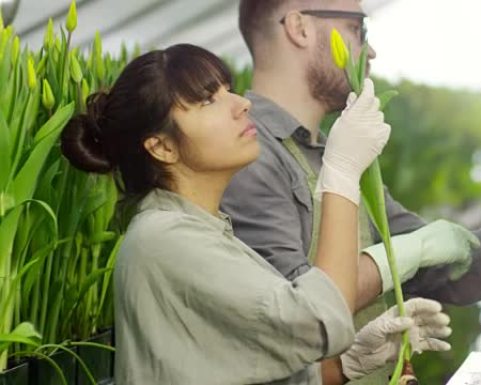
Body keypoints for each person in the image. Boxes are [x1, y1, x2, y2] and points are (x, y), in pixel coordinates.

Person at [59, 44, 452, 385]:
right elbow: (320, 321)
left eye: (227, 90)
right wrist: (342, 172)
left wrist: (346, 365)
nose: (241, 102)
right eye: (208, 100)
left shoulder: (200, 228)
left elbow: (235, 369)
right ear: (161, 147)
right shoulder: (166, 239)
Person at [226, 1, 481, 383]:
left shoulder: (335, 150)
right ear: (299, 27)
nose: (372, 51)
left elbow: (452, 271)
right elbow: (302, 315)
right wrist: (408, 252)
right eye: (358, 29)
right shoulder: (249, 155)